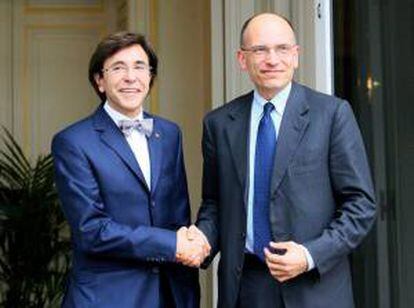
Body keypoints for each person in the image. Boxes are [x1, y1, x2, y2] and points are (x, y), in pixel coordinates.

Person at [192, 13, 377, 307]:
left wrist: (309, 255)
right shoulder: (219, 124)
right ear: (242, 59)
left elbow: (361, 205)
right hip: (246, 286)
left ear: (296, 56)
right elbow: (215, 203)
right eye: (260, 50)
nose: (272, 59)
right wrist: (200, 240)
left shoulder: (331, 115)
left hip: (313, 286)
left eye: (282, 49)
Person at [52, 32, 209, 308]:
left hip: (172, 294)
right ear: (99, 80)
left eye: (139, 67)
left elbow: (177, 215)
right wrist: (172, 244)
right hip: (108, 298)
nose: (130, 77)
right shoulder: (73, 142)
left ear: (150, 77)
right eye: (118, 68)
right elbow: (92, 230)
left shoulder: (169, 133)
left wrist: (192, 243)